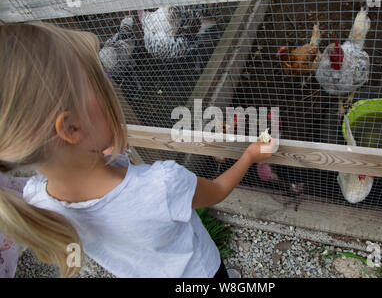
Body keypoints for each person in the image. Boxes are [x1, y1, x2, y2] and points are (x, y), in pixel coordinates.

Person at [0, 22, 276, 278]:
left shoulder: (36, 200)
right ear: (72, 129)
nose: (110, 82)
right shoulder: (163, 184)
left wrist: (102, 153)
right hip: (199, 271)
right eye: (99, 78)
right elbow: (216, 192)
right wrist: (250, 155)